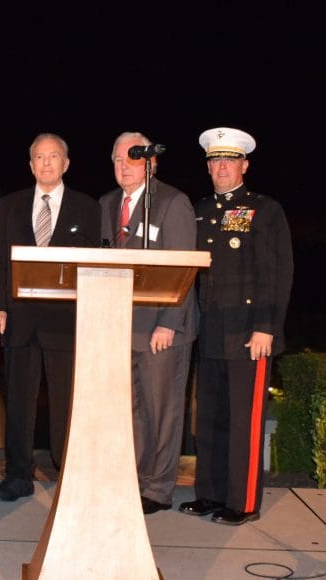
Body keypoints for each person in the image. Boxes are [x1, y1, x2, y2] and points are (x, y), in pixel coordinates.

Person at [180, 127, 293, 526]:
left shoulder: (265, 209)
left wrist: (267, 326)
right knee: (209, 418)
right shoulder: (201, 210)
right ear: (208, 167)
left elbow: (276, 273)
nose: (221, 167)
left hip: (249, 333)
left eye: (229, 160)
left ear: (244, 164)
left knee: (244, 421)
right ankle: (210, 493)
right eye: (214, 161)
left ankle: (243, 502)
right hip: (209, 328)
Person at [0, 133, 100, 501]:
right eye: (39, 157)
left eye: (53, 156)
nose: (46, 163)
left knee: (67, 403)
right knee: (18, 400)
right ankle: (18, 475)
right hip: (18, 320)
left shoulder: (87, 207)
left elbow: (94, 266)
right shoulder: (11, 204)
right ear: (30, 164)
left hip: (66, 324)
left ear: (66, 163)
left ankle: (68, 474)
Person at [100, 132, 198, 514]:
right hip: (121, 326)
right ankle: (133, 480)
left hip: (161, 329)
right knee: (131, 412)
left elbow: (185, 268)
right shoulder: (108, 203)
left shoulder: (172, 203)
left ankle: (157, 489)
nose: (123, 166)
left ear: (150, 162)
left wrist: (169, 323)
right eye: (117, 159)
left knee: (163, 411)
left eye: (132, 158)